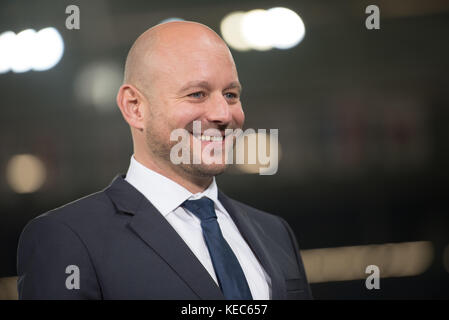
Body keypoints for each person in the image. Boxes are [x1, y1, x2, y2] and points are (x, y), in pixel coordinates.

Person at [16, 21, 312, 300]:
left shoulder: (275, 232)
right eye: (197, 94)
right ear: (135, 107)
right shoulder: (67, 239)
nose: (224, 114)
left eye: (231, 95)